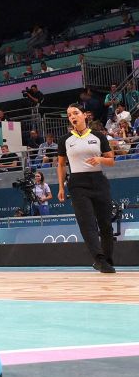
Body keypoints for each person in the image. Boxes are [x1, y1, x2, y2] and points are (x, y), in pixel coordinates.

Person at [57, 104, 117, 273]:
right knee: (87, 224)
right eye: (69, 115)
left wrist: (99, 160)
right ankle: (98, 260)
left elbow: (111, 161)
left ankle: (107, 259)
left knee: (105, 224)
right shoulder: (65, 140)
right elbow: (61, 165)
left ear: (84, 115)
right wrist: (61, 187)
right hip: (77, 183)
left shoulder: (98, 136)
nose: (72, 116)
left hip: (98, 180)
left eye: (75, 113)